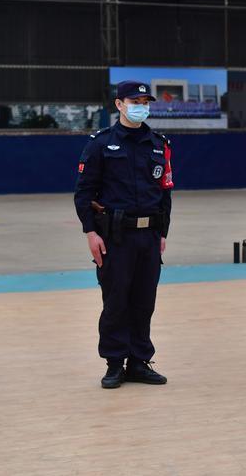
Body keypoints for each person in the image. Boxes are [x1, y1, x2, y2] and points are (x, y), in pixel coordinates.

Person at [74, 80, 174, 389]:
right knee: (116, 300)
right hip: (115, 237)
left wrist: (162, 233)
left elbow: (165, 193)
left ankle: (139, 362)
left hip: (149, 236)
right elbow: (83, 194)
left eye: (146, 101)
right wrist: (91, 232)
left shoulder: (159, 143)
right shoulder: (101, 144)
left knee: (144, 301)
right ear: (119, 105)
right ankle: (115, 363)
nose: (141, 106)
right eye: (135, 101)